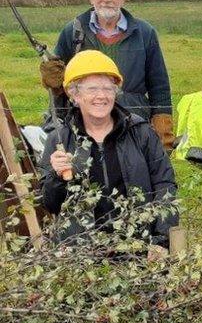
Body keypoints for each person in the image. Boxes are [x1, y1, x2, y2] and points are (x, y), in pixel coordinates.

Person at [38, 50, 178, 248]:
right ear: (74, 94)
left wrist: (160, 242)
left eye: (108, 88)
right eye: (92, 89)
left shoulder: (141, 133)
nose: (101, 96)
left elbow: (165, 187)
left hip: (139, 251)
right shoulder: (59, 140)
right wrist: (57, 177)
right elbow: (50, 204)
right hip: (81, 258)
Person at [38, 0, 174, 150]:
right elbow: (60, 83)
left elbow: (159, 84)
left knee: (133, 173)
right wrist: (53, 81)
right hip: (84, 120)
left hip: (132, 121)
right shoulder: (72, 32)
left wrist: (163, 130)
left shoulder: (144, 32)